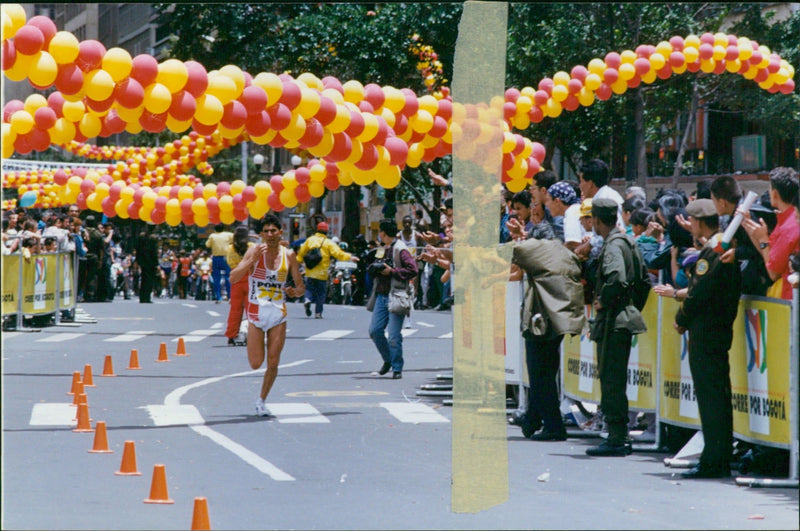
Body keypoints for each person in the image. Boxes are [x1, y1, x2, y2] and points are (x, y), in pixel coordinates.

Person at [674, 199, 742, 478]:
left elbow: (699, 292)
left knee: (711, 398)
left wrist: (681, 319)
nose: (689, 226)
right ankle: (718, 456)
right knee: (716, 396)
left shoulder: (714, 250)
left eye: (691, 221)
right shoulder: (720, 246)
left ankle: (714, 460)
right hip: (716, 330)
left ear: (700, 222)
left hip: (707, 331)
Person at [585, 198, 647, 457]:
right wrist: (632, 307)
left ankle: (616, 436)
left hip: (613, 320)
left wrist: (604, 301)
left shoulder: (612, 246)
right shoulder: (629, 241)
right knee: (615, 378)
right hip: (624, 316)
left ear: (597, 220)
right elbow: (643, 282)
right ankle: (618, 434)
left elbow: (617, 279)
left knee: (611, 380)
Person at [511, 236, 585, 440]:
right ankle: (533, 419)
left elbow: (501, 252)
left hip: (542, 320)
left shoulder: (538, 250)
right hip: (558, 318)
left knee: (539, 374)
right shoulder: (564, 254)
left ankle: (553, 427)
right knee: (544, 373)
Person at [230, 214, 304, 416]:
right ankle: (251, 334)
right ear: (261, 234)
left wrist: (294, 291)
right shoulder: (254, 251)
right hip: (256, 313)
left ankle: (261, 400)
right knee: (256, 364)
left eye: (274, 231)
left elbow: (301, 288)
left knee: (273, 362)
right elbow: (233, 277)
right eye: (266, 231)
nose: (270, 235)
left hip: (278, 314)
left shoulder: (288, 255)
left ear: (281, 232)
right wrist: (251, 261)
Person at [368, 219, 418, 379]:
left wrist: (393, 271)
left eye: (379, 232)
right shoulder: (382, 248)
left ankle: (397, 368)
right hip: (381, 296)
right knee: (375, 331)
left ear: (383, 232)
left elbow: (413, 269)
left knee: (394, 335)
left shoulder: (400, 249)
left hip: (396, 296)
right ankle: (387, 360)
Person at [742, 167, 799, 301]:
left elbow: (773, 272)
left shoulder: (788, 227)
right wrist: (752, 230)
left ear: (774, 194)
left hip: (789, 298)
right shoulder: (787, 219)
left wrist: (762, 239)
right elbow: (770, 256)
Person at [297, 221, 357, 319]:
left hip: (310, 271)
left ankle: (307, 299)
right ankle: (318, 313)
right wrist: (350, 257)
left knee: (309, 289)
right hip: (322, 273)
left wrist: (298, 261)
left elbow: (301, 253)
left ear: (317, 230)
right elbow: (339, 254)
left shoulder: (310, 240)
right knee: (321, 293)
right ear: (326, 232)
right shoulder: (329, 243)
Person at [225, 226, 254, 345]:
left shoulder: (230, 249)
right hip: (250, 279)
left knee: (235, 310)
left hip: (236, 280)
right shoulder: (251, 247)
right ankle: (252, 335)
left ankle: (231, 336)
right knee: (251, 310)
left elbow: (229, 263)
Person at [206, 224, 233, 302]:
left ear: (215, 229)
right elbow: (236, 238)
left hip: (216, 258)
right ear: (223, 229)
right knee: (228, 277)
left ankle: (218, 297)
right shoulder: (228, 234)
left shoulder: (212, 236)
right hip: (226, 258)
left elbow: (207, 245)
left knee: (216, 279)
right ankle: (229, 296)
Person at [135, 231, 159, 303]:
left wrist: (137, 260)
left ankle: (142, 297)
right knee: (149, 280)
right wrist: (156, 263)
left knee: (143, 279)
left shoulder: (141, 237)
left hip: (143, 261)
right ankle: (147, 297)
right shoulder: (153, 238)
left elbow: (138, 249)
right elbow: (154, 252)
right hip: (151, 262)